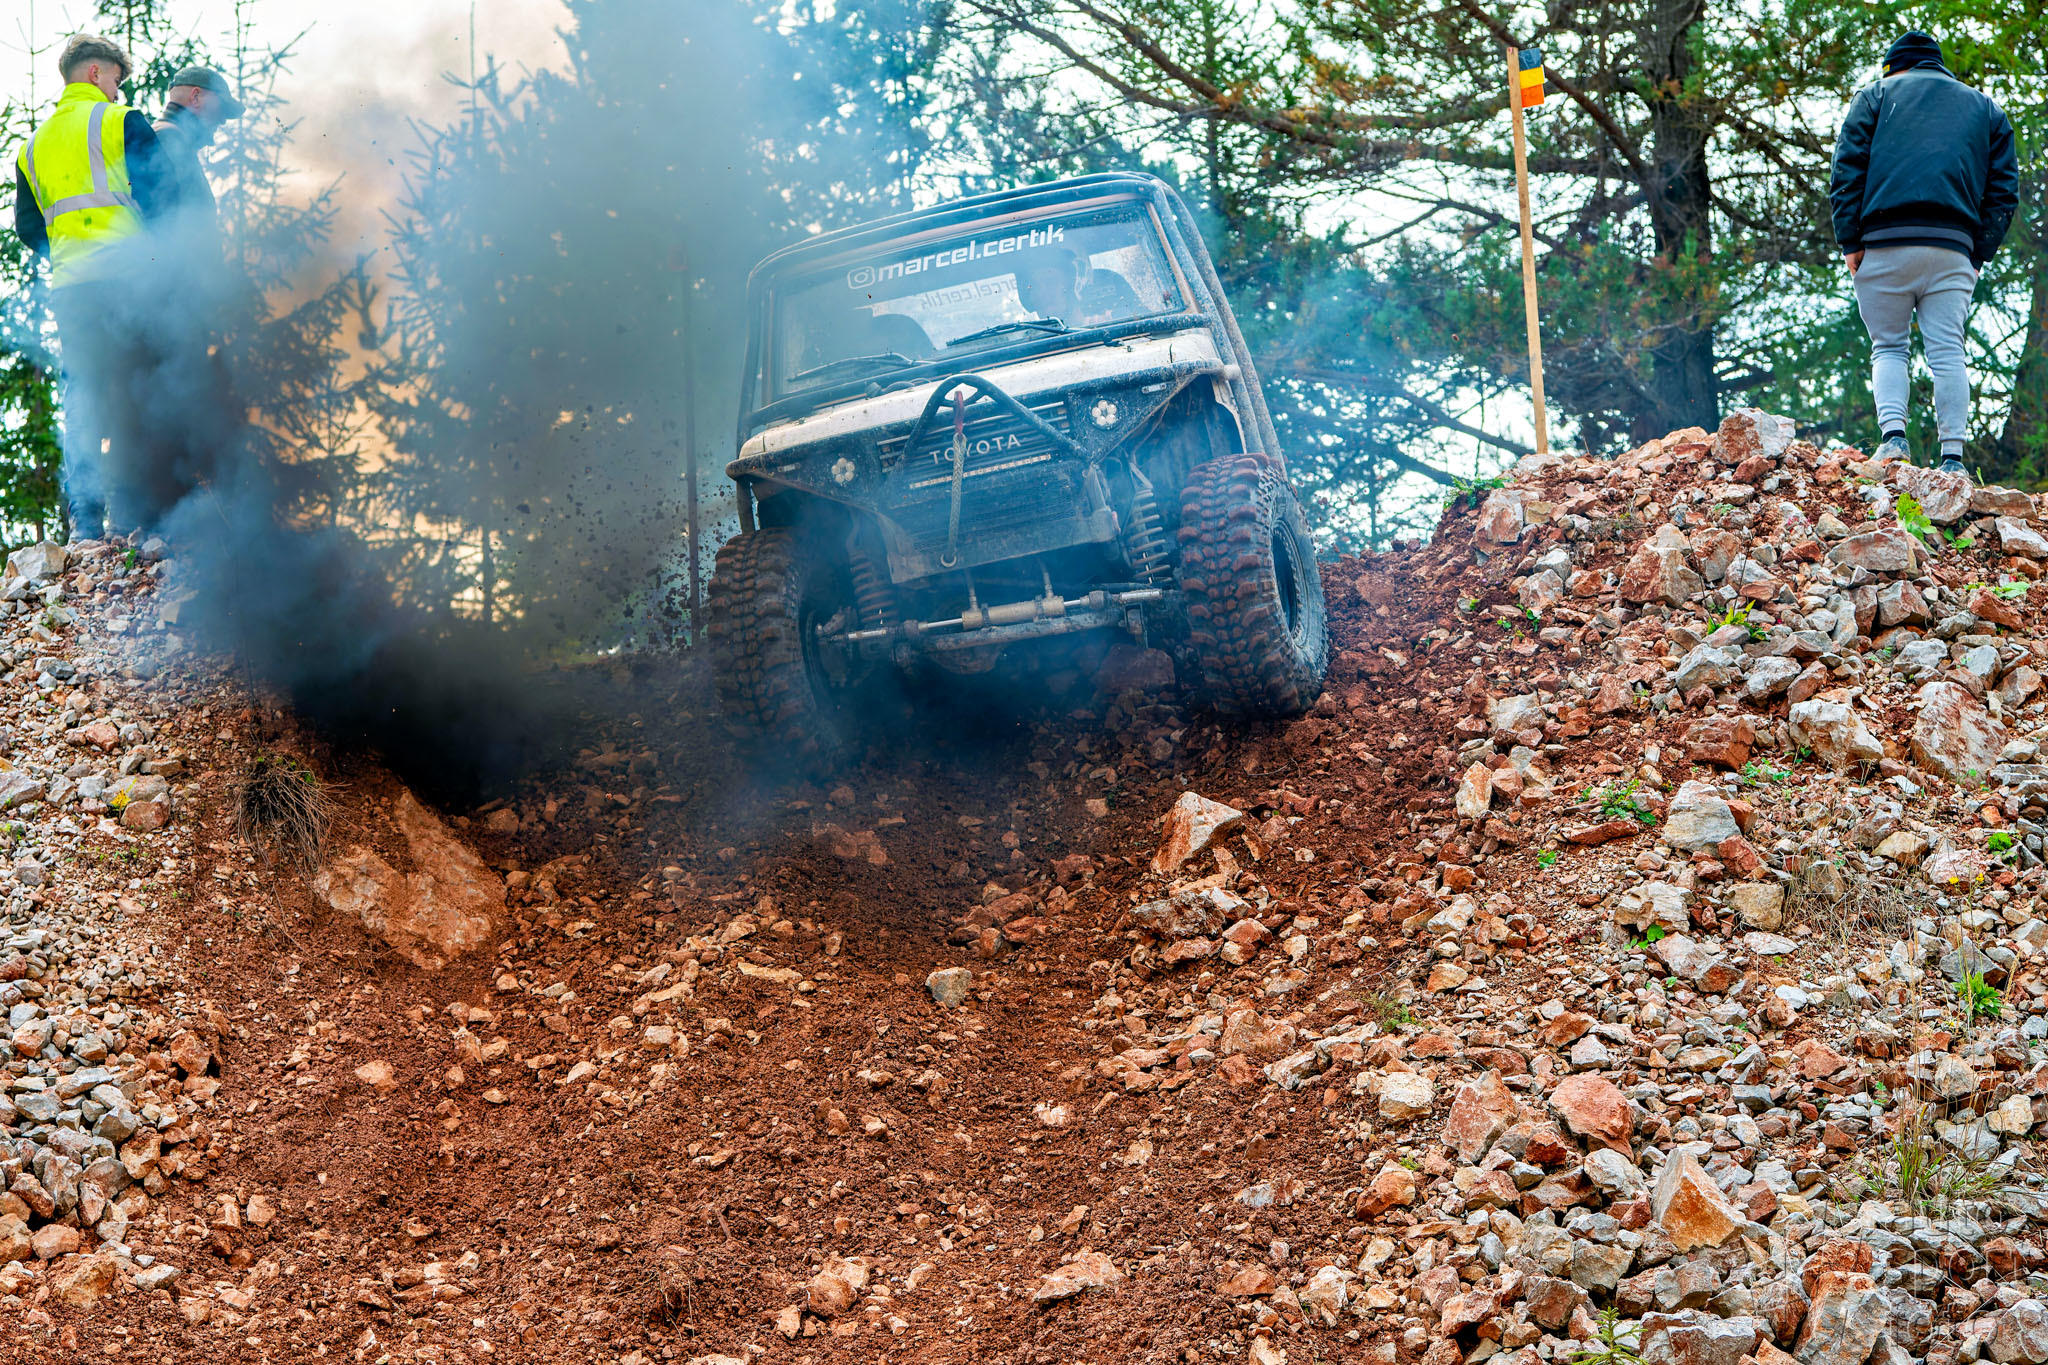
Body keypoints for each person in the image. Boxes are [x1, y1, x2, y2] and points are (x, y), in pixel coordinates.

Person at [1829, 30, 2017, 479]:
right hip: (1952, 248)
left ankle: (1894, 441)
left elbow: (1847, 170)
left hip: (1884, 242)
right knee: (1948, 352)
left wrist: (1850, 241)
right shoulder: (1986, 108)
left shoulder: (1875, 95)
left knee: (1889, 347)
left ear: (1895, 67)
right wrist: (1978, 252)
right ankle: (1953, 461)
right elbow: (2004, 189)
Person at [11, 33, 177, 536]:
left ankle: (84, 519)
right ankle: (133, 515)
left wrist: (68, 252)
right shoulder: (119, 121)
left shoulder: (31, 148)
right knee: (134, 390)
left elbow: (27, 227)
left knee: (83, 394)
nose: (117, 91)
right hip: (129, 280)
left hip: (72, 289)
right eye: (115, 80)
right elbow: (166, 199)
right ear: (94, 73)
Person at [151, 65, 244, 232]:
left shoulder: (170, 138)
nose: (223, 120)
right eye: (222, 107)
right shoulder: (169, 140)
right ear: (195, 97)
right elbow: (171, 224)